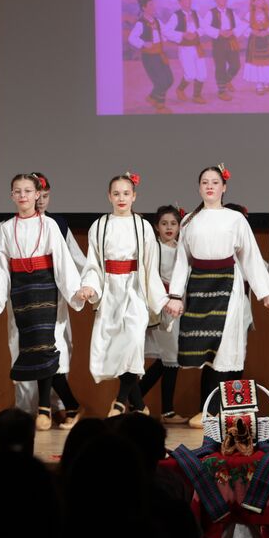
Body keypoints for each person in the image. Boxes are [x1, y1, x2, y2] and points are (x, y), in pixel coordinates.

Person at [163, 165, 269, 427]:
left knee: (226, 346)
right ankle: (210, 409)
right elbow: (182, 261)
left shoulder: (235, 219)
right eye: (205, 182)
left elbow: (250, 258)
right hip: (199, 286)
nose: (210, 186)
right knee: (206, 349)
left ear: (224, 187)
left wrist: (267, 294)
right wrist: (175, 296)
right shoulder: (189, 220)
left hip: (228, 286)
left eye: (215, 182)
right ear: (199, 187)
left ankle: (216, 410)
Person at [0, 171, 85, 416]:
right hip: (21, 292)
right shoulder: (7, 228)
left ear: (37, 194)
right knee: (24, 347)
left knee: (49, 345)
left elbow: (63, 260)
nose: (23, 196)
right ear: (11, 196)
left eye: (28, 191)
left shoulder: (50, 224)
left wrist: (75, 290)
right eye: (17, 191)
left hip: (46, 290)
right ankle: (28, 409)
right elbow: (0, 265)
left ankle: (51, 407)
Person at [75, 172, 168, 416]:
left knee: (133, 344)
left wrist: (160, 299)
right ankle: (139, 406)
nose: (121, 198)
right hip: (110, 292)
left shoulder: (143, 226)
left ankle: (119, 401)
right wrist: (90, 286)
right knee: (117, 349)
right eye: (116, 193)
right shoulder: (100, 225)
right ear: (109, 196)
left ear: (134, 196)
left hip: (135, 290)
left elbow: (150, 266)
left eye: (126, 193)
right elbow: (94, 263)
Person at [138, 205, 189, 423]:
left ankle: (134, 398)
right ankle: (165, 410)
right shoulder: (154, 248)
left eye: (173, 223)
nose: (169, 228)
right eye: (164, 223)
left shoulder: (182, 249)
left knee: (168, 357)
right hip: (159, 305)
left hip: (177, 307)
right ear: (156, 226)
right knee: (171, 357)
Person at [128, 0, 174, 114]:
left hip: (160, 54)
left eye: (153, 4)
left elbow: (166, 32)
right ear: (144, 7)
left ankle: (152, 97)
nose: (154, 7)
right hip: (149, 57)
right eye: (151, 5)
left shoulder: (157, 21)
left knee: (169, 79)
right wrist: (143, 43)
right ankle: (160, 106)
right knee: (161, 81)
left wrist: (179, 37)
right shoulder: (140, 23)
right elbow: (131, 38)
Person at [163, 0, 208, 105]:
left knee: (202, 73)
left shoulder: (195, 14)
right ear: (180, 1)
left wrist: (196, 33)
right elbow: (166, 31)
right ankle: (180, 89)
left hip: (197, 47)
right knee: (190, 74)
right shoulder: (176, 16)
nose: (188, 0)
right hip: (185, 49)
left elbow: (204, 27)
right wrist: (182, 34)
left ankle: (197, 96)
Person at [201, 0, 242, 101]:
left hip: (231, 41)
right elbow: (204, 27)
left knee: (236, 65)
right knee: (220, 67)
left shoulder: (231, 12)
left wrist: (232, 31)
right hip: (218, 42)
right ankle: (221, 91)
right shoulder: (211, 13)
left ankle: (226, 81)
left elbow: (240, 25)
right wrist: (219, 32)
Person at [242, 0, 269, 95]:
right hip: (255, 42)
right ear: (253, 2)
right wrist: (252, 31)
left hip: (266, 41)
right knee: (257, 63)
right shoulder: (249, 15)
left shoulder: (268, 14)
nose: (262, 1)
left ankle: (266, 81)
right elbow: (243, 28)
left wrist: (268, 31)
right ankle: (259, 84)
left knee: (267, 62)